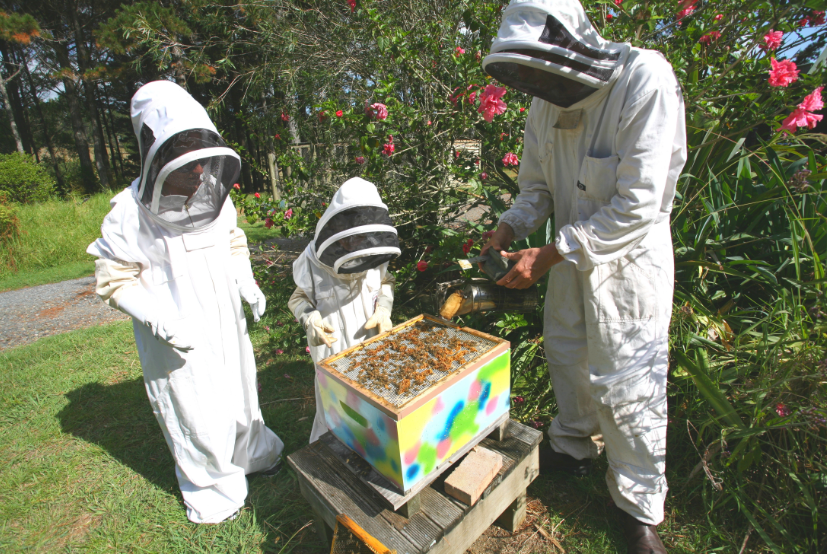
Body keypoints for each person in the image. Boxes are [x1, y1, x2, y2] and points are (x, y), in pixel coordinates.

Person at [480, 1, 686, 552]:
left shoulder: (645, 78)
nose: (539, 89)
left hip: (627, 261)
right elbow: (536, 191)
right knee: (566, 351)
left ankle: (639, 508)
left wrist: (550, 253)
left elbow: (638, 204)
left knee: (628, 382)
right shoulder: (544, 105)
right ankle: (573, 445)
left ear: (570, 49)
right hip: (565, 254)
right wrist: (509, 225)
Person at [87, 80, 283, 524]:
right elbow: (114, 280)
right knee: (193, 404)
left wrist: (246, 281)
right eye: (185, 155)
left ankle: (253, 454)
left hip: (224, 318)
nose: (198, 172)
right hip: (174, 332)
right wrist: (160, 319)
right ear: (154, 150)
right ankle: (214, 490)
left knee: (240, 388)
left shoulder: (214, 195)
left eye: (201, 155)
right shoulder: (127, 213)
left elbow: (234, 243)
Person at [289, 177, 399, 443]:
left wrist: (384, 308)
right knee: (336, 407)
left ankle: (375, 446)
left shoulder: (374, 252)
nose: (358, 241)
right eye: (353, 234)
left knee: (375, 401)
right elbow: (298, 297)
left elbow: (386, 282)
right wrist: (310, 319)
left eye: (363, 235)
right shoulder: (312, 260)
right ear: (338, 225)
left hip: (370, 341)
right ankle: (331, 452)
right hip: (333, 347)